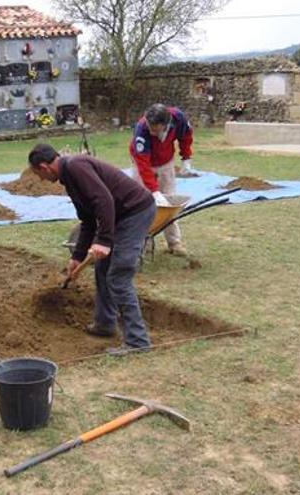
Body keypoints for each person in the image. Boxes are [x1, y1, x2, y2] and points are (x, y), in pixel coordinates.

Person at [28, 143, 156, 355]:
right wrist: (77, 257)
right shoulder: (69, 177)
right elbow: (87, 220)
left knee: (118, 275)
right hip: (120, 216)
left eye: (39, 174)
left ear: (44, 167)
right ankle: (105, 324)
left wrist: (104, 241)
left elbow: (104, 200)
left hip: (135, 212)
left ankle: (137, 341)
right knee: (102, 269)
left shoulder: (76, 166)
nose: (41, 180)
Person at [129, 103, 193, 256]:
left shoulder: (178, 118)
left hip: (165, 162)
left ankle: (174, 242)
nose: (151, 131)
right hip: (144, 163)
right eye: (150, 127)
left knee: (169, 202)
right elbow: (143, 165)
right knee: (143, 204)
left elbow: (186, 136)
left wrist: (186, 157)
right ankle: (144, 242)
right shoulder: (141, 129)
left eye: (155, 129)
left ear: (165, 124)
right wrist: (153, 191)